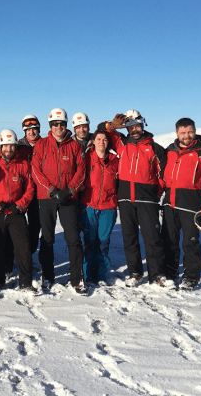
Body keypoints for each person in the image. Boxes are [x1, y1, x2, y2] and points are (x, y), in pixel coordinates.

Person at [102, 110, 167, 287]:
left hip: (147, 198)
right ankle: (135, 273)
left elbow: (164, 174)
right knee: (129, 237)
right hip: (124, 197)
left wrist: (156, 193)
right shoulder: (122, 143)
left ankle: (156, 275)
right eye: (130, 127)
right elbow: (102, 133)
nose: (134, 129)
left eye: (137, 126)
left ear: (143, 125)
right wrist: (112, 125)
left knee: (152, 237)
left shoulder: (154, 148)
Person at [31, 108, 87, 294]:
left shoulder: (75, 146)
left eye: (61, 123)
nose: (58, 127)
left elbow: (82, 171)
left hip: (69, 197)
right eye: (55, 124)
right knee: (47, 238)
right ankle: (47, 276)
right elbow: (35, 170)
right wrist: (51, 190)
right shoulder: (41, 144)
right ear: (50, 126)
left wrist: (70, 190)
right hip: (47, 197)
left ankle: (76, 279)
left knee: (73, 238)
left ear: (66, 125)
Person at [161, 118, 201, 290]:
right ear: (177, 133)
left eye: (190, 132)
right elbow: (161, 175)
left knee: (190, 242)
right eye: (183, 133)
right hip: (169, 204)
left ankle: (191, 276)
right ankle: (170, 273)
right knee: (169, 240)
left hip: (191, 205)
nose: (186, 136)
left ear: (194, 131)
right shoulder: (169, 151)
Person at [0, 129, 38, 294]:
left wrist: (20, 205)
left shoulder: (22, 164)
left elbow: (30, 188)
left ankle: (26, 282)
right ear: (0, 146)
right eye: (6, 146)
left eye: (12, 146)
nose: (9, 150)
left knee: (23, 247)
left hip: (16, 211)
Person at [78, 129, 119, 285]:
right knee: (89, 241)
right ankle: (88, 273)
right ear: (93, 141)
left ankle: (101, 274)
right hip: (89, 206)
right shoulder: (86, 158)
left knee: (103, 241)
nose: (102, 142)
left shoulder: (115, 160)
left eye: (105, 139)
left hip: (108, 207)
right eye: (99, 139)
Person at [18, 115, 42, 257]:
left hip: (38, 192)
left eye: (34, 129)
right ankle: (17, 253)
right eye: (28, 130)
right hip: (21, 191)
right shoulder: (18, 146)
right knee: (18, 225)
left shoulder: (44, 144)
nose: (31, 133)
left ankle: (29, 253)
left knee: (35, 224)